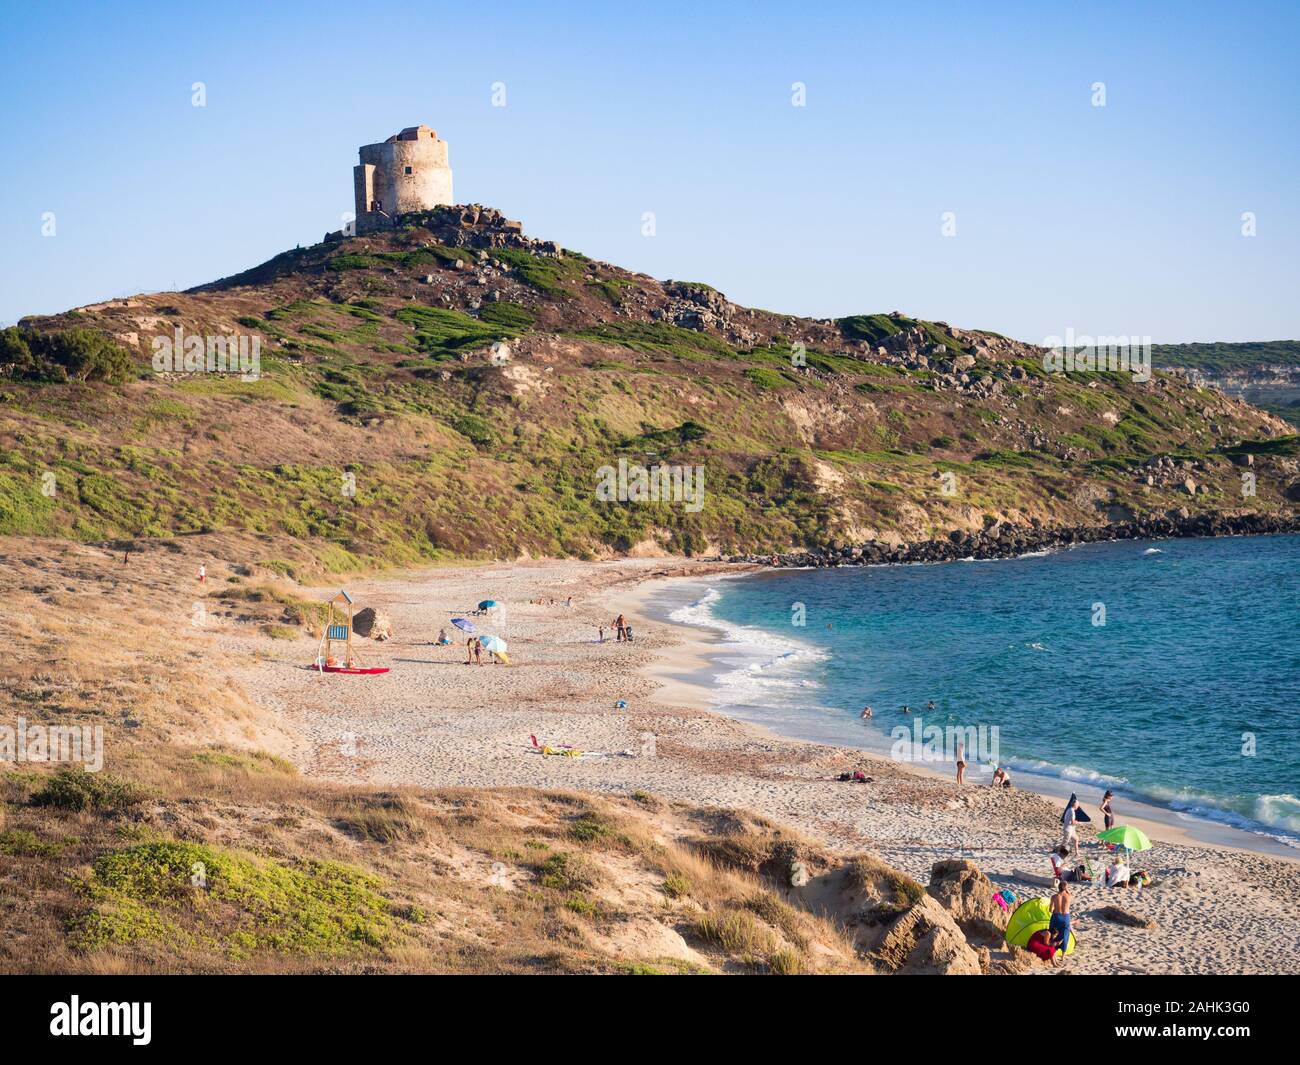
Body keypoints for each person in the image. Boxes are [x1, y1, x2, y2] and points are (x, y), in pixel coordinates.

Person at [1048, 880, 1072, 956]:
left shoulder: (1054, 897)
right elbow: (1068, 892)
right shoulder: (1069, 896)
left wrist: (1055, 910)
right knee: (1065, 935)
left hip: (1056, 916)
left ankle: (1052, 952)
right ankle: (1063, 956)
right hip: (1065, 917)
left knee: (1053, 934)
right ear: (1065, 888)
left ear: (1058, 887)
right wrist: (1066, 889)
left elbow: (1050, 910)